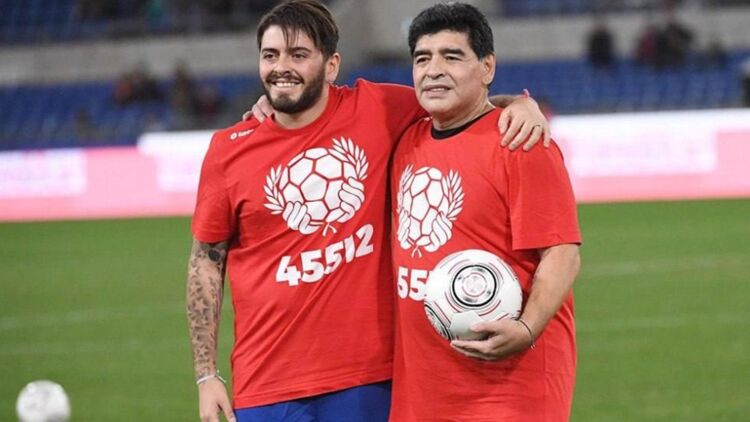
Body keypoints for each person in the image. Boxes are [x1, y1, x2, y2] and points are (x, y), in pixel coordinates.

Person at [186, 1, 549, 421]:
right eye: (271, 55)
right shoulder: (228, 150)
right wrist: (206, 375)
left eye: (298, 55)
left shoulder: (379, 108)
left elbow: (461, 103)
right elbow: (205, 262)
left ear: (331, 65)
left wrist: (519, 104)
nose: (281, 67)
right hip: (266, 384)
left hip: (370, 380)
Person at [389, 3, 581, 421]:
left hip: (507, 387)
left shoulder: (520, 142)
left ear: (487, 67)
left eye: (452, 56)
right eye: (422, 59)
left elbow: (562, 252)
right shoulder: (406, 140)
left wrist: (527, 328)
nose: (434, 70)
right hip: (423, 388)